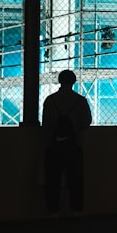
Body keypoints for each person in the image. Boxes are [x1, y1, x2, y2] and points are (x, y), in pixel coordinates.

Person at [41, 70, 92, 217]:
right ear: (74, 81)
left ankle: (53, 210)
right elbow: (87, 121)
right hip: (74, 144)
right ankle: (75, 209)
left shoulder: (50, 100)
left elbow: (46, 124)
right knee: (75, 179)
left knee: (53, 180)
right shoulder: (80, 100)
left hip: (54, 146)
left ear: (59, 81)